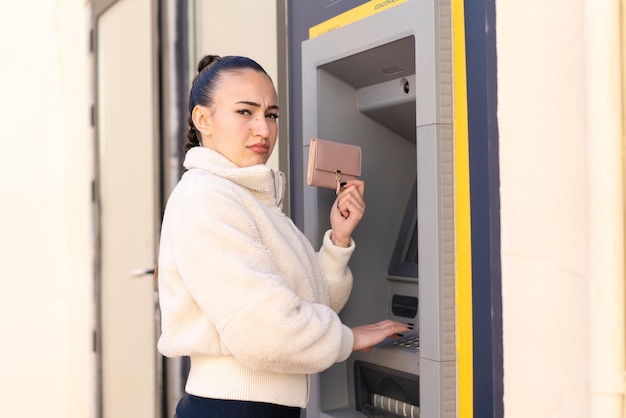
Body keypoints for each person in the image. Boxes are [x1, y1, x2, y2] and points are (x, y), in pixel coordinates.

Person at [157, 54, 412, 418]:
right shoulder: (206, 198)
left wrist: (337, 242)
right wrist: (350, 339)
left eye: (271, 115)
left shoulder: (250, 199)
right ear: (203, 119)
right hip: (235, 408)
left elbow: (308, 304)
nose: (263, 129)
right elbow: (266, 329)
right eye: (245, 112)